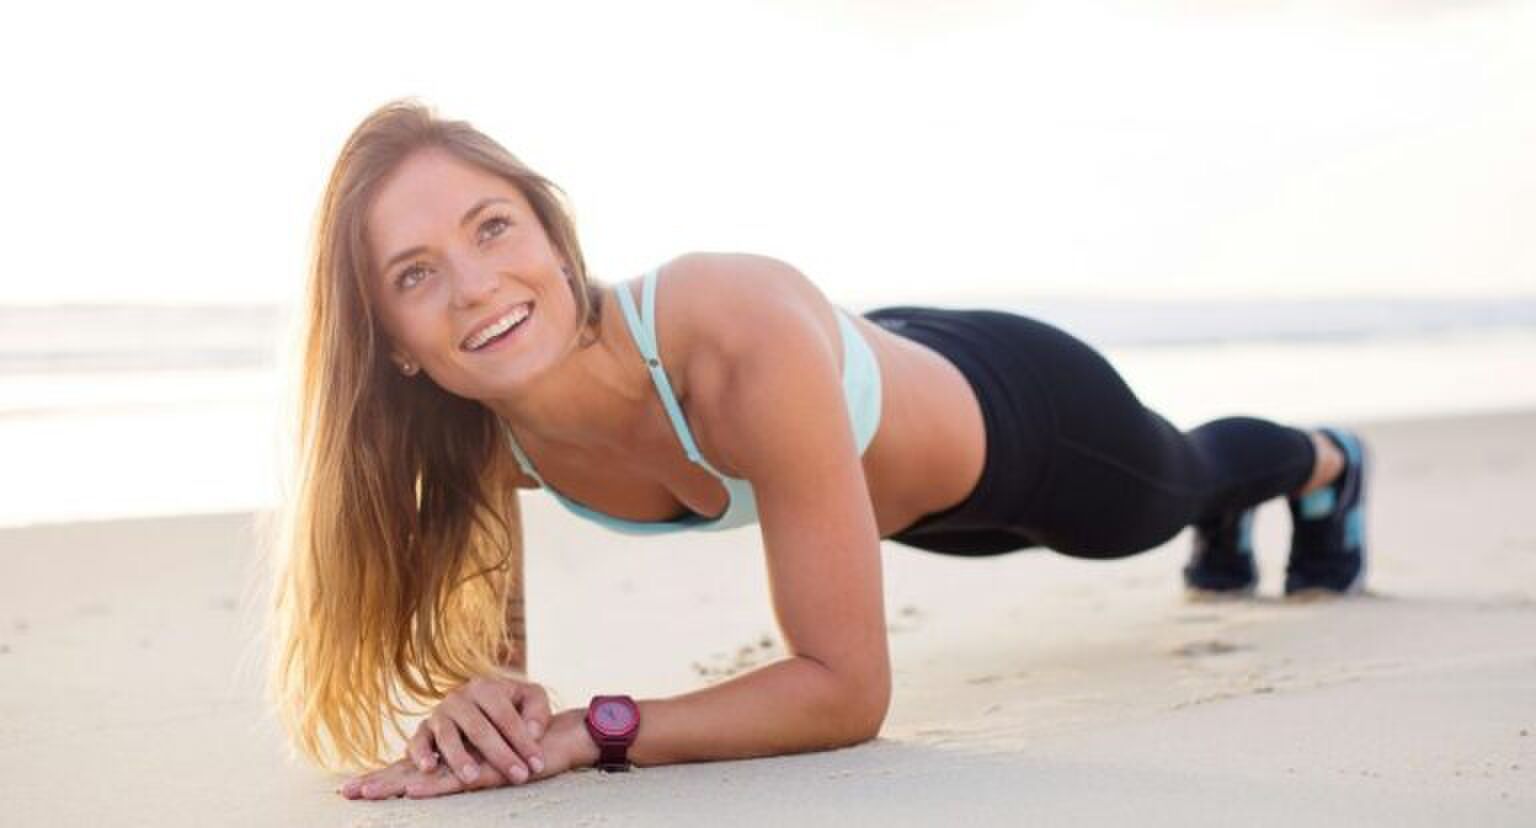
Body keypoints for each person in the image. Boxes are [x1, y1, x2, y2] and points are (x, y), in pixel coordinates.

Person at [270, 100, 1369, 801]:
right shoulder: (476, 435)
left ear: (555, 238)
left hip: (1022, 421)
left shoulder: (726, 330)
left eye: (491, 226)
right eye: (414, 274)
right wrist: (483, 697)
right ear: (394, 343)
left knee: (1173, 487)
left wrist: (596, 732)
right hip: (888, 482)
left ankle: (1326, 464)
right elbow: (493, 650)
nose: (474, 286)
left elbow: (846, 694)